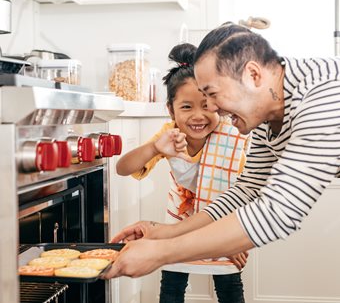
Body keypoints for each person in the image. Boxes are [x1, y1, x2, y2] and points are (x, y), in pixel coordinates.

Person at [104, 22, 340, 279]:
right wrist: (163, 231)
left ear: (252, 75)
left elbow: (278, 212)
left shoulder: (324, 95)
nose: (212, 108)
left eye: (213, 95)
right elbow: (248, 190)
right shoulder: (265, 113)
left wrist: (162, 252)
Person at [114, 42, 249, 303]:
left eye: (207, 106)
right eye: (186, 107)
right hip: (176, 228)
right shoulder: (169, 137)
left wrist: (238, 238)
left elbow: (245, 190)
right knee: (172, 290)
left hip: (223, 228)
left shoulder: (232, 136)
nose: (198, 116)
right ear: (170, 110)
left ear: (218, 104)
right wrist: (155, 147)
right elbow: (123, 168)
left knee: (230, 290)